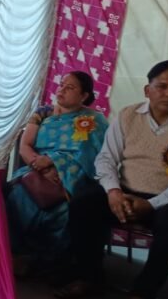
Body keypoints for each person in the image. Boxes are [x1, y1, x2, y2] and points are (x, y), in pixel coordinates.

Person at [54, 59, 168, 299]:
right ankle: (89, 277)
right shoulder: (128, 115)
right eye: (162, 86)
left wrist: (152, 204)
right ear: (147, 90)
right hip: (125, 190)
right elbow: (106, 159)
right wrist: (113, 192)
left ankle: (144, 293)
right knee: (83, 204)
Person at [6, 71, 108, 276]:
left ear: (84, 96)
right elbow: (25, 146)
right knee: (17, 195)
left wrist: (56, 163)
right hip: (36, 169)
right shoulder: (43, 113)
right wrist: (42, 166)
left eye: (70, 88)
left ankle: (49, 262)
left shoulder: (95, 120)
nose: (61, 90)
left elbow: (94, 155)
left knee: (67, 208)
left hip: (74, 176)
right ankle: (16, 254)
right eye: (61, 85)